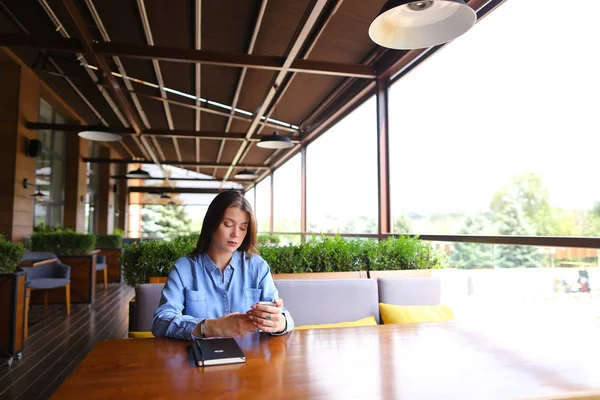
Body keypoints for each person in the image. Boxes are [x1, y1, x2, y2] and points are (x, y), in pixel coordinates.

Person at [152, 191, 294, 340]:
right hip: (198, 358)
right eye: (228, 225)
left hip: (251, 358)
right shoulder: (184, 268)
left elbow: (282, 316)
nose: (235, 234)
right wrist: (212, 327)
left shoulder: (257, 267)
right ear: (211, 224)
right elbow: (161, 321)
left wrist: (279, 323)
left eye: (242, 228)